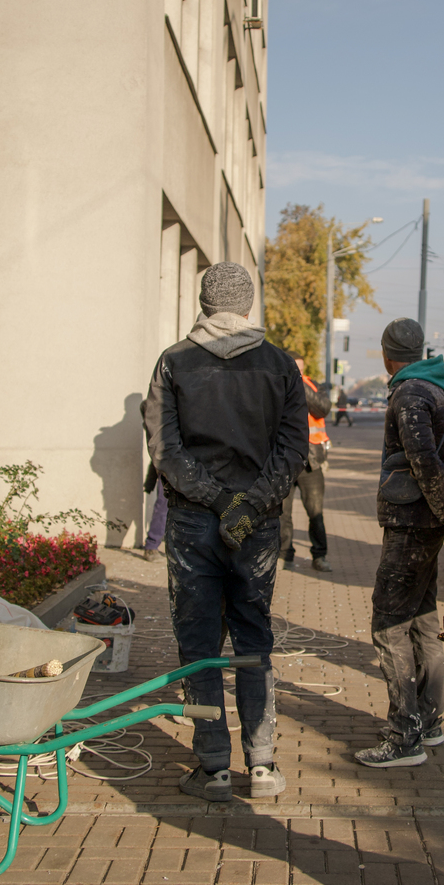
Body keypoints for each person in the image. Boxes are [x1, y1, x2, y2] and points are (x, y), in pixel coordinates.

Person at [143, 261, 308, 801]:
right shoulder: (281, 365)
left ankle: (212, 765)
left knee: (199, 641)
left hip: (194, 520)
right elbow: (292, 451)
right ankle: (262, 765)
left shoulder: (174, 361)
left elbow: (165, 448)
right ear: (249, 304)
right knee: (253, 635)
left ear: (204, 301)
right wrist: (249, 504)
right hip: (255, 526)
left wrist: (215, 500)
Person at [355, 319, 444, 768]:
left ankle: (404, 737)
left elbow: (425, 462)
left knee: (389, 623)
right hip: (426, 524)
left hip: (412, 525)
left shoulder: (410, 394)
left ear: (386, 355)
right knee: (421, 618)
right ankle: (429, 722)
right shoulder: (434, 388)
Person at [279, 356, 332, 572]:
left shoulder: (313, 386)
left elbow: (322, 408)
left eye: (299, 369)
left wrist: (298, 383)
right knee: (282, 513)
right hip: (284, 460)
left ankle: (319, 555)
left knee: (315, 512)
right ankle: (285, 555)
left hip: (312, 461)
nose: (296, 372)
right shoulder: (277, 385)